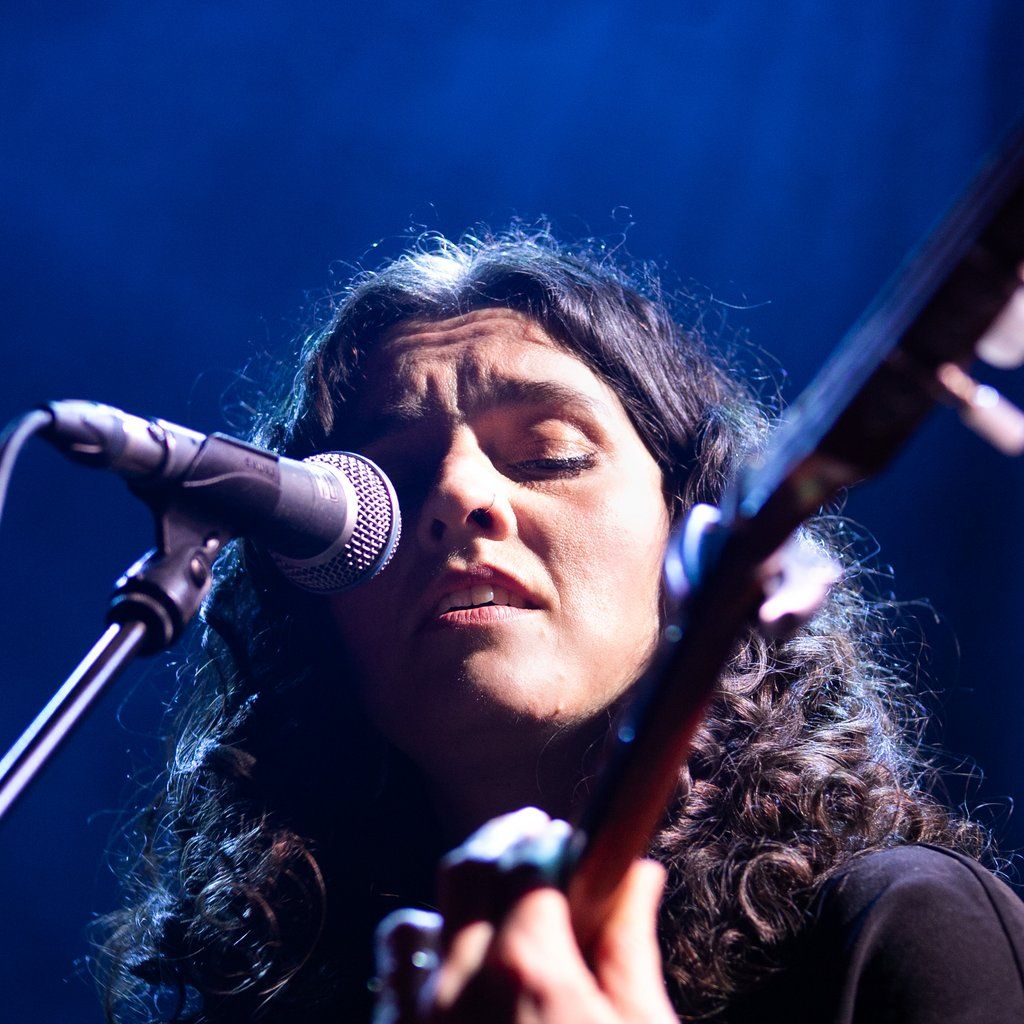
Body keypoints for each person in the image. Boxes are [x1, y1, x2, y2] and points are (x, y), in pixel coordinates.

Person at [96, 228, 1024, 1024]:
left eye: (549, 456)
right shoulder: (267, 993)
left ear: (688, 525)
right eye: (393, 482)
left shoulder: (904, 929)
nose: (458, 494)